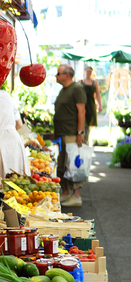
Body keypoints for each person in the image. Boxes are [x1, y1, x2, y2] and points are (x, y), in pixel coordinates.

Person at [54, 64, 87, 207]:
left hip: (72, 133)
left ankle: (76, 196)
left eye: (58, 73)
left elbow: (82, 111)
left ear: (66, 75)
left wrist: (80, 133)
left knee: (73, 164)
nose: (56, 76)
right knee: (62, 164)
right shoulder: (64, 89)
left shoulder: (77, 89)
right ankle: (66, 192)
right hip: (62, 133)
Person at [78, 66, 103, 145]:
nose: (88, 73)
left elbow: (98, 94)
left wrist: (100, 105)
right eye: (87, 71)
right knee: (82, 121)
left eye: (90, 71)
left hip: (91, 104)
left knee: (88, 123)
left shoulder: (94, 82)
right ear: (85, 72)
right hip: (82, 103)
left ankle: (86, 140)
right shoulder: (80, 82)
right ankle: (83, 140)